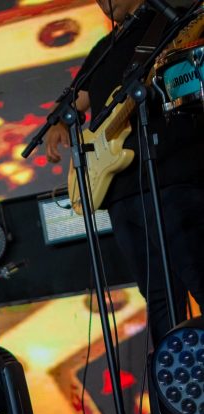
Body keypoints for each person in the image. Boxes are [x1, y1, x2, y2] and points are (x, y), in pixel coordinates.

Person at [45, 0, 204, 347]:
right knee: (160, 299)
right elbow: (78, 98)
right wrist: (58, 121)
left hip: (169, 177)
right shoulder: (105, 49)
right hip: (121, 194)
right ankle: (174, 390)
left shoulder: (173, 19)